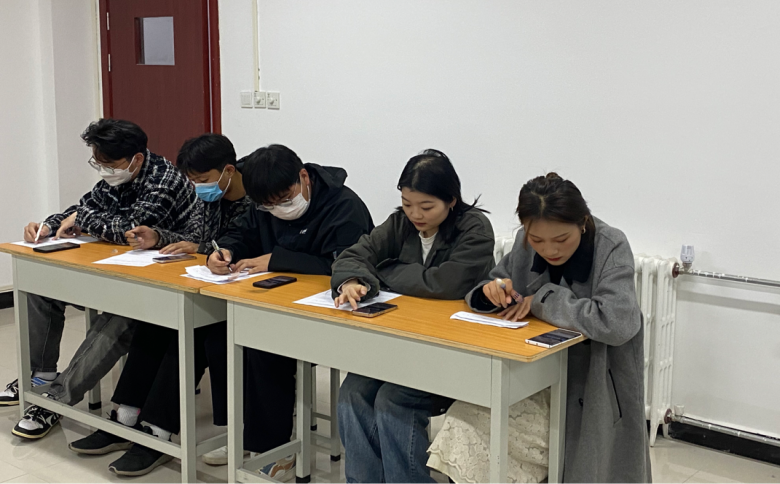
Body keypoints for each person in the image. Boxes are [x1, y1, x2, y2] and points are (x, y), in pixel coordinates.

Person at [428, 172, 651, 484]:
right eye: (537, 240)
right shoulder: (525, 243)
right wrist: (491, 293)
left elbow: (617, 321)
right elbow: (492, 283)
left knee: (480, 432)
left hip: (590, 387)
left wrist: (543, 300)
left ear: (583, 222)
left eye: (561, 239)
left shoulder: (610, 246)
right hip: (533, 378)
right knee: (463, 424)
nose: (549, 250)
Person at [66, 133, 253, 476]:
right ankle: (125, 416)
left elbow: (245, 246)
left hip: (243, 301)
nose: (198, 188)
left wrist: (210, 252)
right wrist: (162, 238)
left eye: (203, 179)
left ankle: (158, 431)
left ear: (229, 171)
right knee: (154, 323)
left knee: (189, 337)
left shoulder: (258, 200)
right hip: (206, 287)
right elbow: (196, 239)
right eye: (193, 181)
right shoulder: (210, 199)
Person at [3, 119, 200, 440]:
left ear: (136, 159)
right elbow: (86, 206)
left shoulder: (163, 180)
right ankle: (41, 374)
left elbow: (129, 230)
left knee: (118, 319)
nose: (104, 171)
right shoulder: (119, 173)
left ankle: (56, 399)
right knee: (39, 288)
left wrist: (82, 219)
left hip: (167, 280)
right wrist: (49, 225)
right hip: (123, 269)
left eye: (109, 164)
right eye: (98, 163)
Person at [199, 144, 373, 481]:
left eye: (284, 199)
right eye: (268, 205)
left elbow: (346, 264)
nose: (278, 210)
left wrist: (275, 260)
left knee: (263, 348)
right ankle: (243, 434)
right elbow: (240, 233)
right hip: (275, 303)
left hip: (329, 312)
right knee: (220, 336)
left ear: (303, 177)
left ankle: (275, 450)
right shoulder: (262, 204)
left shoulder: (344, 206)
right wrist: (224, 252)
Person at [332, 149, 495, 484]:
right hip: (402, 345)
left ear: (451, 200)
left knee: (393, 400)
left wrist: (384, 271)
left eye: (426, 206)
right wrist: (352, 280)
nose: (415, 214)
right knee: (352, 392)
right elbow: (353, 256)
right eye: (407, 203)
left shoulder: (474, 228)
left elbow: (446, 284)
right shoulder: (400, 224)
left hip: (454, 351)